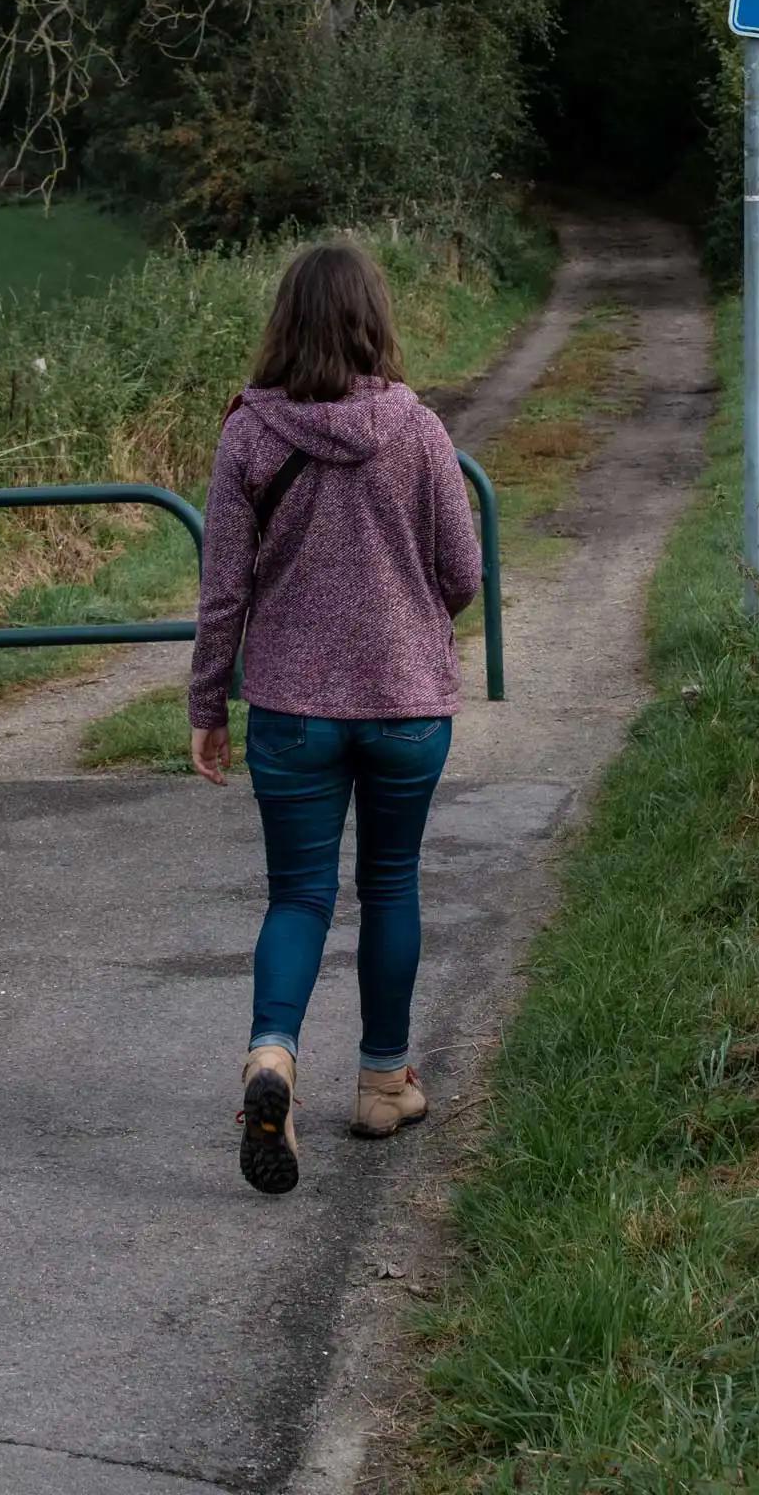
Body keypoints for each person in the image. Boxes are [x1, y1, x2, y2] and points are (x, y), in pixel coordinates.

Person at [187, 241, 481, 1196]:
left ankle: (272, 1056)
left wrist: (206, 706)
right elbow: (465, 577)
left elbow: (221, 591)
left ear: (285, 324)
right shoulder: (420, 432)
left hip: (290, 710)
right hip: (404, 705)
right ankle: (383, 1082)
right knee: (390, 885)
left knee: (299, 896)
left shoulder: (247, 434)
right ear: (372, 322)